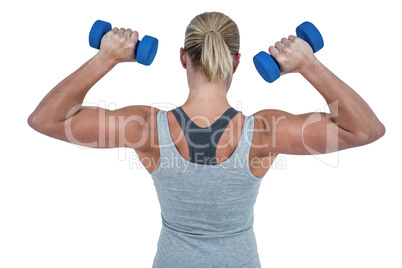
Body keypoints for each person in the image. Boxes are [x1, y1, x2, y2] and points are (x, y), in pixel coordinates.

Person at [28, 11, 385, 268]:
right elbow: (365, 130)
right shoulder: (264, 132)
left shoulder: (147, 127)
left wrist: (106, 57)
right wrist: (308, 64)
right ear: (238, 61)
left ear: (183, 58)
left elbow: (46, 120)